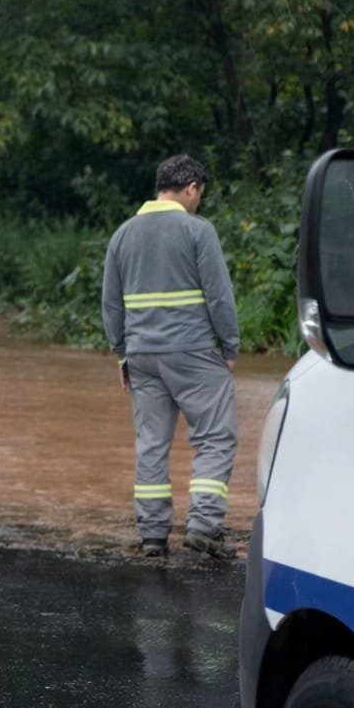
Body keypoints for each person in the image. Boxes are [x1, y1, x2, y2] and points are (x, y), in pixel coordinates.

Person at [102, 154, 240, 559]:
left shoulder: (122, 235)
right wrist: (229, 346)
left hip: (142, 356)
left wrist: (122, 355)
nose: (200, 201)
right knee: (215, 438)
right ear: (191, 188)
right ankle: (204, 527)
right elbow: (219, 295)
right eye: (201, 193)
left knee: (151, 445)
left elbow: (111, 305)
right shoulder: (198, 230)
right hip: (193, 351)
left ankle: (152, 535)